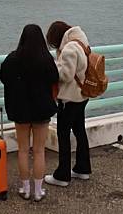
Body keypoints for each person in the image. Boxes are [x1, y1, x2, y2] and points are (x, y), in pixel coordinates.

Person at [0, 24, 59, 202]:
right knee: (39, 151)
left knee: (23, 150)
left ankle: (25, 189)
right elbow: (55, 79)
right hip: (41, 109)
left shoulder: (12, 59)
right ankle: (38, 191)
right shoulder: (46, 59)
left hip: (20, 109)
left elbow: (3, 77)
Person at [44, 21, 92, 187]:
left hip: (70, 98)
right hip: (82, 96)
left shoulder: (70, 48)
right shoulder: (81, 41)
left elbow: (66, 75)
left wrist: (53, 67)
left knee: (63, 135)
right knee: (79, 131)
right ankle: (82, 168)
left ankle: (62, 175)